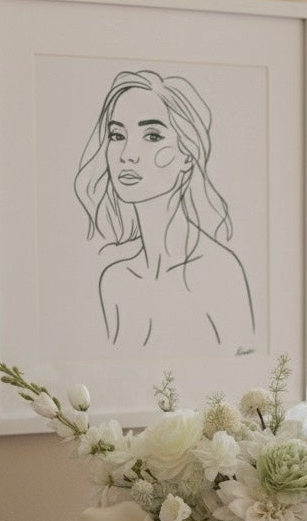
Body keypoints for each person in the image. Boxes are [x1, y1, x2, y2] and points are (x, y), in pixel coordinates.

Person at [75, 70, 255, 355]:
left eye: (152, 135)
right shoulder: (115, 281)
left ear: (187, 154)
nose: (127, 154)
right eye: (117, 135)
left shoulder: (221, 271)